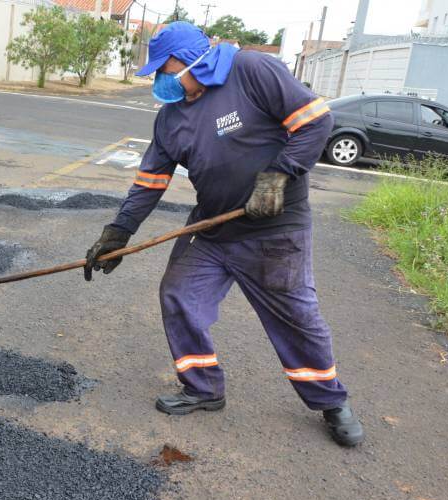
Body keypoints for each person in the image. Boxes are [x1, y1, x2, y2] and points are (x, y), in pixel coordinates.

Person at [84, 22, 363, 447]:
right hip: (213, 229)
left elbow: (315, 122)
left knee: (296, 318)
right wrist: (118, 232)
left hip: (275, 227)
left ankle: (330, 402)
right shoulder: (170, 119)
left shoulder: (251, 71)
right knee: (179, 295)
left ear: (192, 59)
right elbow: (149, 182)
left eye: (166, 68)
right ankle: (203, 387)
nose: (162, 79)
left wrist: (277, 178)